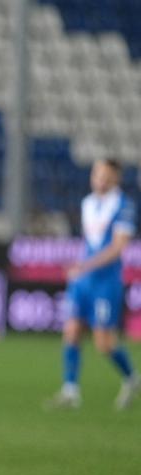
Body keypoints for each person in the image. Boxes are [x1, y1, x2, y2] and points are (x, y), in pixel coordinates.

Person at [48, 158, 138, 410]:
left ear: (116, 179)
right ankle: (70, 390)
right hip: (83, 281)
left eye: (106, 176)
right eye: (97, 175)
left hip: (106, 282)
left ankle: (132, 378)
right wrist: (79, 268)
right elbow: (91, 243)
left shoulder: (124, 205)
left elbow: (118, 247)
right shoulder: (87, 203)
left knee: (104, 343)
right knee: (72, 332)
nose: (101, 180)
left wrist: (84, 266)